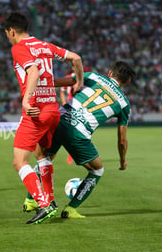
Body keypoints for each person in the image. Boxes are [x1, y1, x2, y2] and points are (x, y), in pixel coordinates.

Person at [23, 61, 136, 218]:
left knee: (45, 158)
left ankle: (31, 199)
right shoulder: (124, 104)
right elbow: (122, 140)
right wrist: (123, 160)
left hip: (59, 118)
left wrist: (42, 84)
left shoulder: (94, 76)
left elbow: (69, 81)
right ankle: (71, 209)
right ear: (127, 82)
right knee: (97, 170)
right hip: (79, 131)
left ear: (110, 72)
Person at [1, 11, 84, 224]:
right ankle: (51, 201)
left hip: (36, 111)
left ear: (11, 31)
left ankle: (44, 204)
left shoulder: (18, 47)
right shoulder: (45, 45)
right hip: (52, 110)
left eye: (7, 33)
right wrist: (77, 82)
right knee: (42, 155)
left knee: (19, 162)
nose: (8, 37)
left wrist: (26, 100)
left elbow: (34, 72)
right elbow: (76, 58)